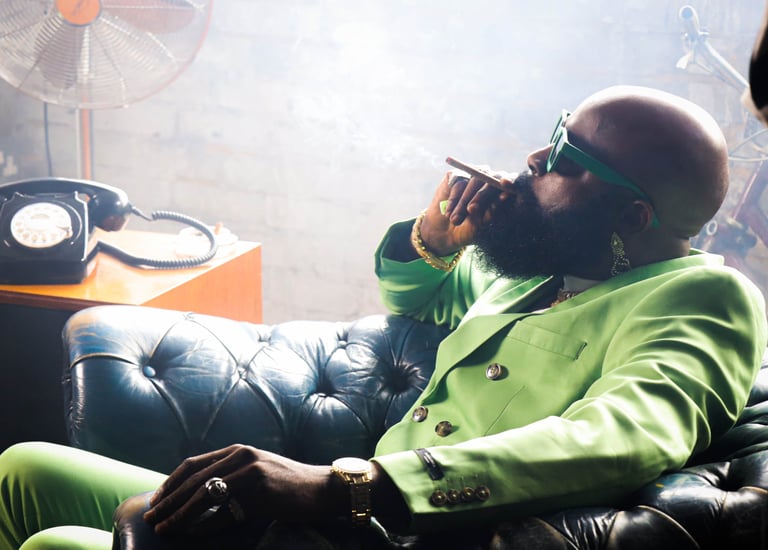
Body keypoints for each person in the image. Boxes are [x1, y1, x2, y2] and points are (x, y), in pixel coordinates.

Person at [0, 85, 765, 549]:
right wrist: (438, 239)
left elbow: (619, 439)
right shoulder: (548, 272)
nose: (535, 157)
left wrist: (349, 487)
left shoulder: (704, 299)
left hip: (411, 530)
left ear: (632, 216)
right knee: (25, 467)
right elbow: (420, 300)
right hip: (352, 520)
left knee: (60, 541)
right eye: (555, 130)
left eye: (567, 154)